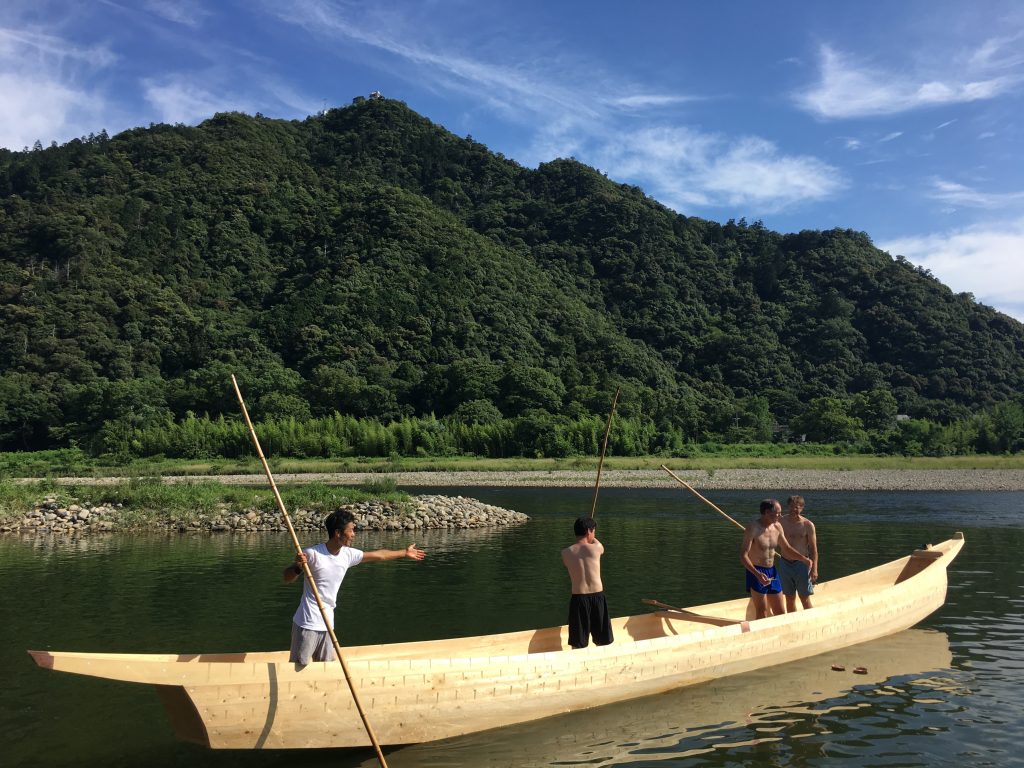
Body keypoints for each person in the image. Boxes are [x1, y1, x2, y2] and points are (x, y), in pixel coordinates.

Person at [283, 509, 426, 665]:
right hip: (306, 622)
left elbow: (380, 555)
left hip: (328, 623)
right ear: (338, 533)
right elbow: (287, 578)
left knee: (326, 669)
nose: (353, 534)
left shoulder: (347, 555)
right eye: (351, 530)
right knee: (300, 667)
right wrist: (298, 566)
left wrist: (404, 553)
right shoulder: (312, 554)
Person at [740, 499, 813, 620]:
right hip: (756, 571)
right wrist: (757, 574)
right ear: (767, 512)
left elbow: (787, 548)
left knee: (780, 612)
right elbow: (743, 555)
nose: (780, 515)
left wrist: (804, 559)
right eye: (777, 513)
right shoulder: (753, 528)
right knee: (762, 611)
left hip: (772, 571)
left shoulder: (777, 527)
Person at [561, 516, 613, 649]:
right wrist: (591, 536)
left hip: (578, 599)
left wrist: (587, 533)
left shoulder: (566, 553)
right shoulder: (596, 548)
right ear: (589, 531)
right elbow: (600, 546)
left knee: (578, 642)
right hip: (597, 597)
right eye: (593, 531)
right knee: (602, 641)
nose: (594, 534)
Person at [777, 495, 818, 612]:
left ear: (802, 508)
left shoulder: (807, 525)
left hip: (802, 564)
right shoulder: (781, 522)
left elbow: (814, 549)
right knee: (789, 597)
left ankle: (811, 621)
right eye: (791, 507)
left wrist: (814, 569)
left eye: (797, 507)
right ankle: (792, 622)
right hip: (785, 563)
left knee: (804, 597)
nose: (793, 510)